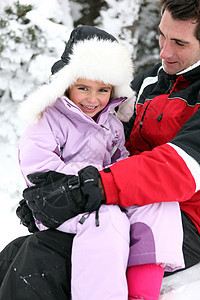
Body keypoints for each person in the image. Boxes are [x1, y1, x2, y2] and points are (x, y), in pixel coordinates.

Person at [2, 0, 200, 298]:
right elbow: (108, 142)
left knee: (41, 258)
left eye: (179, 43)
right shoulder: (147, 83)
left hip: (179, 219)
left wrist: (88, 187)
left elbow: (180, 167)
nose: (164, 52)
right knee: (13, 253)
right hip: (128, 199)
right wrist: (51, 192)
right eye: (162, 35)